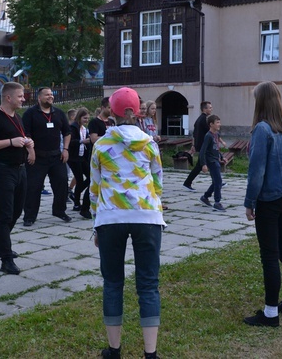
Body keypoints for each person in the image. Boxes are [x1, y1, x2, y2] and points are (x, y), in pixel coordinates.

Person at [90, 87, 165, 359]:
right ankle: (150, 353)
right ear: (138, 111)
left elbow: (95, 188)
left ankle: (113, 349)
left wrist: (95, 225)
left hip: (111, 217)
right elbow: (158, 184)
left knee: (112, 282)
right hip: (147, 217)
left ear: (112, 110)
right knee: (148, 284)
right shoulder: (149, 144)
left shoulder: (101, 145)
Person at [243, 82, 282, 327]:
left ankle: (270, 313)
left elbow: (256, 172)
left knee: (270, 255)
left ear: (260, 101)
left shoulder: (263, 129)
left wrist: (249, 202)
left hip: (270, 199)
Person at [0, 82, 34, 275]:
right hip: (2, 171)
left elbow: (22, 137)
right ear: (8, 97)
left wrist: (29, 143)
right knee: (5, 213)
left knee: (17, 211)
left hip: (20, 170)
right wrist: (10, 142)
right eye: (20, 96)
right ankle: (6, 259)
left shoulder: (17, 118)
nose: (23, 99)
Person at [22, 87, 72, 225]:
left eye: (51, 94)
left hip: (56, 156)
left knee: (62, 183)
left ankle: (59, 211)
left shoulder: (59, 113)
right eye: (47, 95)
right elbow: (26, 135)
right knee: (33, 187)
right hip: (37, 157)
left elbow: (67, 132)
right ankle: (30, 216)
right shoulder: (30, 113)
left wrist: (66, 149)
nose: (50, 97)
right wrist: (30, 151)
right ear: (39, 98)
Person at [68, 107, 93, 219]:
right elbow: (70, 142)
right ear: (79, 117)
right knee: (79, 179)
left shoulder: (84, 129)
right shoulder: (73, 127)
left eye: (87, 118)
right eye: (84, 118)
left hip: (82, 157)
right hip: (73, 158)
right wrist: (81, 141)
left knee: (90, 177)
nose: (86, 120)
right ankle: (77, 203)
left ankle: (73, 193)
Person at [183, 101, 212, 192]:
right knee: (200, 165)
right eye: (209, 107)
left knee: (210, 163)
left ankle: (217, 181)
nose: (211, 109)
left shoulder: (199, 119)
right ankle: (187, 183)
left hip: (200, 145)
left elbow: (195, 134)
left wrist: (193, 145)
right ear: (204, 109)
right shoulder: (204, 120)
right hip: (204, 146)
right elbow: (209, 132)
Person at [198, 114, 225, 211]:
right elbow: (202, 151)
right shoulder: (208, 136)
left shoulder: (216, 135)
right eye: (217, 123)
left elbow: (216, 148)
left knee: (216, 181)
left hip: (216, 160)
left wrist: (221, 156)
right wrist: (203, 164)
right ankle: (217, 202)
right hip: (211, 161)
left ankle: (205, 197)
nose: (219, 124)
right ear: (211, 124)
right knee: (218, 181)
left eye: (219, 122)